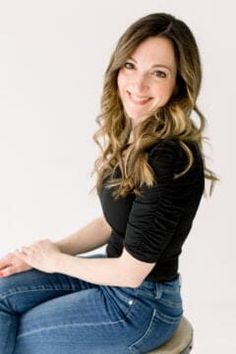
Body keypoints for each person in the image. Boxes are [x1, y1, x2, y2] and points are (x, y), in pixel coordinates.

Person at [0, 12, 217, 354]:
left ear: (179, 84)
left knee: (20, 339)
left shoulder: (171, 158)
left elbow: (131, 273)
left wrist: (54, 261)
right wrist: (51, 251)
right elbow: (110, 219)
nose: (138, 85)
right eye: (130, 66)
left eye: (158, 73)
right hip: (113, 278)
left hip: (139, 305)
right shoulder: (136, 131)